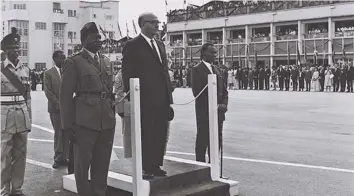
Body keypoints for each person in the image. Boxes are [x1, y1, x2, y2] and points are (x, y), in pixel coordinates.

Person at [59, 22, 116, 196]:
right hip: (84, 121)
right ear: (84, 40)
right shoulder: (74, 62)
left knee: (102, 162)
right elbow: (65, 96)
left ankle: (100, 192)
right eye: (94, 37)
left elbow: (110, 90)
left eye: (99, 37)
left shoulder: (106, 61)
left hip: (106, 119)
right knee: (82, 165)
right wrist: (67, 126)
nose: (99, 40)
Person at [122, 12, 174, 180]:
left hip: (162, 99)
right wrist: (133, 97)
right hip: (144, 99)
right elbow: (127, 72)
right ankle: (145, 167)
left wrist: (169, 100)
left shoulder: (160, 45)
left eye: (158, 22)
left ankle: (156, 164)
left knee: (160, 133)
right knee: (146, 133)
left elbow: (164, 72)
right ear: (143, 24)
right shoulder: (133, 45)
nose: (157, 25)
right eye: (153, 22)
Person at [1, 30, 31, 196]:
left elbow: (28, 97)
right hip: (4, 119)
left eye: (18, 48)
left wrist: (29, 120)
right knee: (4, 157)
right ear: (5, 51)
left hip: (22, 117)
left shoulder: (25, 69)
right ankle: (4, 190)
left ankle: (17, 189)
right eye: (13, 48)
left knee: (20, 156)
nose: (16, 51)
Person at [191, 43, 228, 163]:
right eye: (212, 52)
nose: (215, 55)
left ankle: (214, 167)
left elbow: (224, 91)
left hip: (218, 113)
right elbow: (197, 92)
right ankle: (200, 167)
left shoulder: (217, 69)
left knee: (216, 140)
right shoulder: (196, 70)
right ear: (203, 53)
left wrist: (223, 104)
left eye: (216, 53)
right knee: (203, 140)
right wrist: (214, 105)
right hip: (205, 112)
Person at [44, 50, 69, 168]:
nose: (64, 60)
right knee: (59, 133)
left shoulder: (68, 71)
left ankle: (66, 157)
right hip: (56, 109)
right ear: (55, 59)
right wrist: (58, 103)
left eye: (64, 58)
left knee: (67, 132)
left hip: (68, 108)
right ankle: (58, 158)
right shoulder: (48, 73)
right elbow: (48, 91)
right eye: (61, 58)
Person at [114, 68, 132, 158]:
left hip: (137, 105)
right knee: (128, 133)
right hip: (127, 106)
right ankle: (129, 156)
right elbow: (119, 93)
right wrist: (120, 109)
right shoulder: (121, 75)